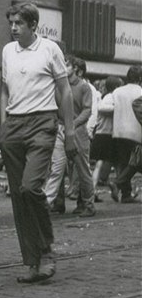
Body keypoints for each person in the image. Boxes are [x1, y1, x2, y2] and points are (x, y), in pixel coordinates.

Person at [0, 2, 74, 284]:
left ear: (33, 25)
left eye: (19, 23)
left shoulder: (49, 49)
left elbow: (64, 89)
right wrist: (4, 125)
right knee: (19, 196)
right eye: (11, 23)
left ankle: (46, 251)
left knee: (31, 188)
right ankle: (32, 260)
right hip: (14, 125)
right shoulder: (8, 50)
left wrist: (70, 131)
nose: (13, 28)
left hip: (43, 122)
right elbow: (4, 90)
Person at [44, 55, 95, 217]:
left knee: (82, 168)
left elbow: (87, 110)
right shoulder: (59, 86)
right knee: (57, 166)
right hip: (60, 128)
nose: (63, 67)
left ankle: (87, 204)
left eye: (67, 65)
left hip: (78, 132)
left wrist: (72, 125)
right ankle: (57, 202)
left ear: (77, 70)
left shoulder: (84, 87)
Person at [102, 65, 142, 203]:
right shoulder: (140, 91)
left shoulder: (117, 91)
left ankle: (126, 194)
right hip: (136, 132)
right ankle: (120, 185)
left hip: (118, 131)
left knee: (124, 163)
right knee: (135, 163)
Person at [90, 76, 123, 200]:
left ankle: (116, 187)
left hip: (108, 135)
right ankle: (93, 190)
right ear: (115, 87)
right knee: (101, 164)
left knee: (114, 164)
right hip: (105, 135)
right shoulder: (110, 97)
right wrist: (118, 109)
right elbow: (101, 108)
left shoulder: (110, 96)